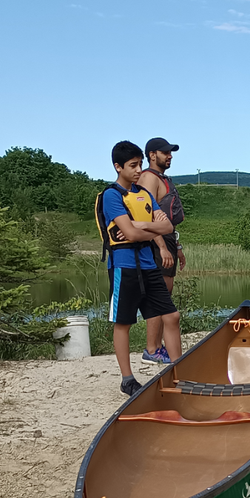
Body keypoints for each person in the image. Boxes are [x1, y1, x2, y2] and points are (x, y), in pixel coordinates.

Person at [100, 141, 182, 398]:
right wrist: (146, 227)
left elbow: (167, 227)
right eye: (133, 166)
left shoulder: (143, 195)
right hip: (124, 266)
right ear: (118, 167)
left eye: (139, 165)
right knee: (123, 323)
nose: (138, 171)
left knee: (171, 316)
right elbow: (130, 233)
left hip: (149, 264)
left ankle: (178, 373)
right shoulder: (112, 196)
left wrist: (141, 226)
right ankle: (127, 379)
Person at [138, 139, 186, 362]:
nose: (170, 156)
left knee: (165, 293)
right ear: (152, 154)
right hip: (155, 242)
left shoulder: (163, 179)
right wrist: (161, 247)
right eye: (165, 152)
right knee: (158, 296)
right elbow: (144, 215)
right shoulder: (149, 178)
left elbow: (167, 219)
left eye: (171, 152)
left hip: (167, 239)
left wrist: (176, 246)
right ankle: (152, 349)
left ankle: (157, 348)